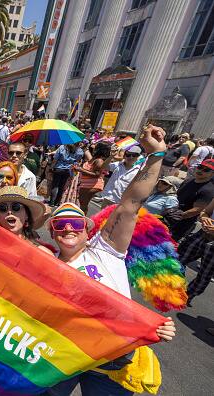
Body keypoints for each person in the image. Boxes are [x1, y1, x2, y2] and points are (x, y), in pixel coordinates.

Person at [46, 125, 176, 396]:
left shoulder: (106, 249)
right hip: (66, 355)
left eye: (74, 223)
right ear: (52, 232)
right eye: (60, 224)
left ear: (86, 228)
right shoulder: (48, 264)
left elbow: (130, 203)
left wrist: (156, 155)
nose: (68, 229)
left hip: (114, 361)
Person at [0, 185, 52, 254]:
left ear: (26, 215)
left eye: (16, 207)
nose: (9, 212)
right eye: (2, 208)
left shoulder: (42, 254)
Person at [180, 197, 214, 306]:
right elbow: (205, 212)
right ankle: (172, 287)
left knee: (204, 276)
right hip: (202, 234)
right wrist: (204, 218)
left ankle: (186, 297)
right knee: (178, 258)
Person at [170, 159, 214, 241]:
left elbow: (197, 210)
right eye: (200, 167)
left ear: (212, 174)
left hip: (181, 223)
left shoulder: (208, 190)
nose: (201, 170)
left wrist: (178, 216)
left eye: (206, 170)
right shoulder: (189, 180)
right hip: (170, 215)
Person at [73, 143, 110, 213]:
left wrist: (81, 170)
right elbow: (87, 152)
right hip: (87, 184)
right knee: (82, 203)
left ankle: (82, 220)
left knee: (83, 204)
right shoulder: (94, 159)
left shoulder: (99, 161)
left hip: (91, 185)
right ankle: (82, 219)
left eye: (95, 147)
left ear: (99, 149)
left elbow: (97, 174)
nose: (93, 148)